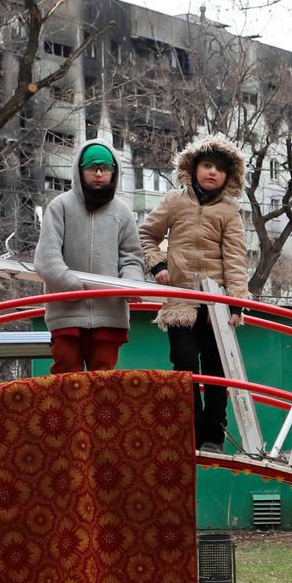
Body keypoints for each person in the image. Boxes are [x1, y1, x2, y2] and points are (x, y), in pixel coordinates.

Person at [139, 134, 249, 450]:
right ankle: (190, 429)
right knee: (184, 362)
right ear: (194, 167)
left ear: (229, 177)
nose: (212, 172)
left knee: (216, 368)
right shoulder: (175, 201)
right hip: (180, 299)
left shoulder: (229, 212)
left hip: (216, 302)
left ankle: (213, 434)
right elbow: (147, 234)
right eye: (207, 165)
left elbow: (235, 258)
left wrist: (236, 301)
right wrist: (158, 264)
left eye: (219, 169)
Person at [34, 140, 145, 373]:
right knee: (66, 369)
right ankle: (67, 412)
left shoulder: (123, 213)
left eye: (105, 168)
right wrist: (70, 286)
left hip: (109, 312)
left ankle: (102, 412)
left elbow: (132, 258)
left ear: (114, 172)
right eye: (91, 168)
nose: (98, 174)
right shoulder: (60, 206)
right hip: (66, 310)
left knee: (103, 376)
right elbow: (47, 256)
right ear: (79, 170)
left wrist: (132, 285)